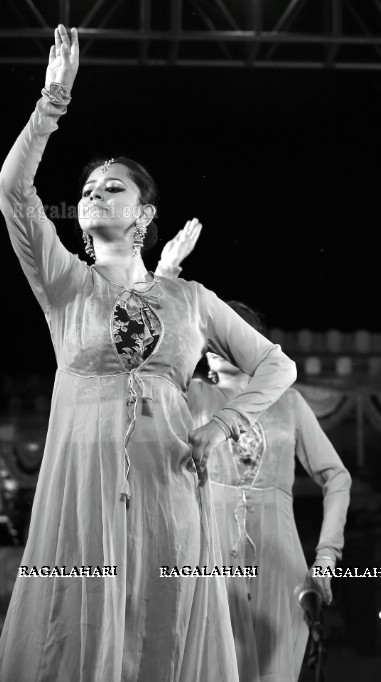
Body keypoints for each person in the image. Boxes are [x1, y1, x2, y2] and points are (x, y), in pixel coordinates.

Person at [0, 26, 297, 681]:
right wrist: (51, 103)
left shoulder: (189, 299)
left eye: (113, 188)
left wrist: (220, 423)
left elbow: (278, 366)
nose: (94, 195)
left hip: (168, 479)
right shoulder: (63, 285)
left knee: (163, 622)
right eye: (87, 192)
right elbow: (14, 190)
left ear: (144, 212)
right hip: (82, 483)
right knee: (80, 619)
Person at [157, 234, 352, 682]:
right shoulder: (192, 395)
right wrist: (166, 276)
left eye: (232, 335)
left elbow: (335, 476)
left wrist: (325, 557)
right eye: (212, 337)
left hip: (281, 561)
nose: (216, 346)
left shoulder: (289, 402)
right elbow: (156, 359)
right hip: (206, 557)